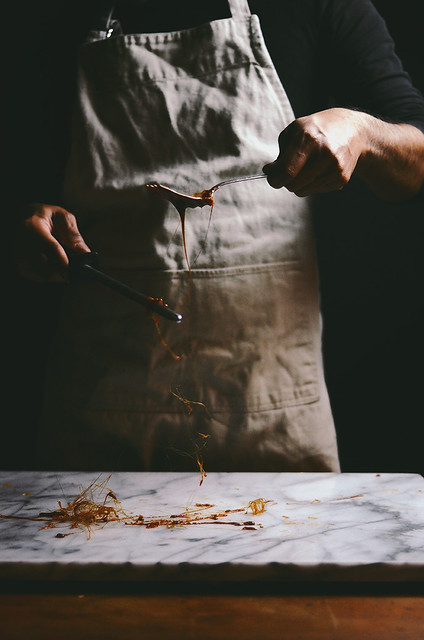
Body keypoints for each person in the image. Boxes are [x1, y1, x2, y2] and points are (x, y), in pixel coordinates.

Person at [12, 0, 424, 472]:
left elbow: (419, 160)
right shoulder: (50, 14)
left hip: (272, 406)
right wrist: (27, 222)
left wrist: (362, 130)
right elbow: (23, 172)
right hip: (103, 407)